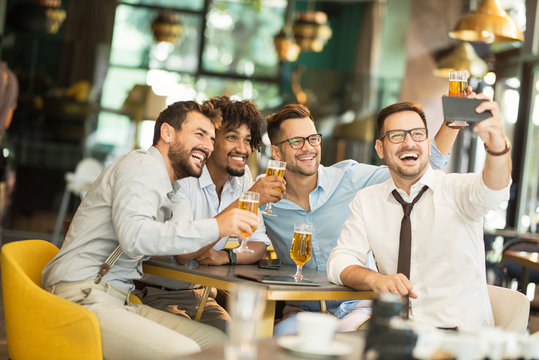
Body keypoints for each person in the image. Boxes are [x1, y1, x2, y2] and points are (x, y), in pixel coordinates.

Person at [42, 101, 260, 360]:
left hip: (119, 299)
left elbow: (185, 244)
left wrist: (220, 225)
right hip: (83, 294)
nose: (209, 146)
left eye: (212, 139)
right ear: (167, 133)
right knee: (185, 352)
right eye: (200, 134)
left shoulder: (175, 186)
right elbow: (134, 237)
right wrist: (218, 225)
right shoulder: (140, 167)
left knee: (217, 342)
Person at [263, 103, 460, 334]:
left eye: (313, 138)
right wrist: (253, 198)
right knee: (279, 339)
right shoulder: (264, 198)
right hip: (304, 313)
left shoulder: (350, 178)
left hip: (359, 307)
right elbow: (241, 241)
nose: (309, 148)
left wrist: (453, 122)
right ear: (276, 152)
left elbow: (419, 165)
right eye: (297, 141)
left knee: (355, 342)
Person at [327, 99, 511, 329]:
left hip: (462, 339)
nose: (409, 143)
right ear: (380, 148)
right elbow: (339, 260)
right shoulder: (367, 200)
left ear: (426, 142)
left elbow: (494, 192)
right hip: (401, 334)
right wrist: (375, 279)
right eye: (396, 135)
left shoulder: (457, 190)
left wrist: (497, 148)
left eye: (417, 134)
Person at [137, 96, 284, 332]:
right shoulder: (185, 174)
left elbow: (259, 244)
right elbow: (184, 254)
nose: (243, 149)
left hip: (202, 294)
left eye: (248, 140)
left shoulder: (242, 176)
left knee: (239, 341)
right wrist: (248, 198)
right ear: (211, 141)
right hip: (154, 292)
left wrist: (226, 257)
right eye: (232, 137)